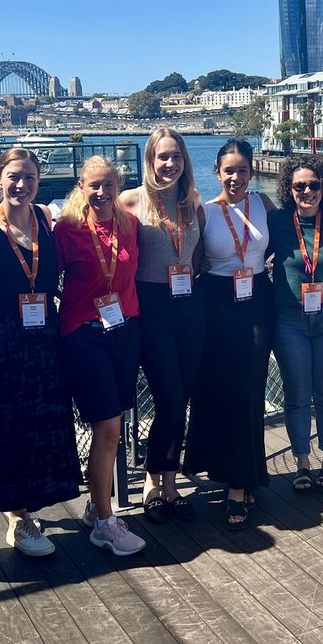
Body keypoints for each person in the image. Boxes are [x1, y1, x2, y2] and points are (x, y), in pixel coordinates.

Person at [0, 148, 81, 557]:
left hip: (45, 334)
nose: (21, 185)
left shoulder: (47, 221)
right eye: (13, 176)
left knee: (44, 420)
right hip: (0, 336)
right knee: (7, 425)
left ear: (38, 181)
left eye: (29, 177)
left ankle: (33, 505)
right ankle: (16, 517)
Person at [54, 155, 146, 556]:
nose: (102, 192)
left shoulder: (131, 225)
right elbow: (35, 273)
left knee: (113, 426)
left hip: (124, 332)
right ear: (81, 186)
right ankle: (105, 525)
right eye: (94, 185)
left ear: (119, 186)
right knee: (108, 428)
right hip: (83, 334)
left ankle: (97, 506)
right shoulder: (67, 230)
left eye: (109, 185)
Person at [184, 139, 277, 530]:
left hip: (257, 298)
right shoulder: (205, 212)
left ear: (251, 171)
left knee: (250, 390)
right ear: (217, 173)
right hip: (217, 304)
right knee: (224, 391)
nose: (236, 177)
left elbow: (288, 241)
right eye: (229, 170)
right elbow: (189, 260)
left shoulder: (264, 205)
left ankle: (243, 479)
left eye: (242, 169)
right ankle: (237, 480)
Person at [119, 128, 205, 524]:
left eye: (176, 157)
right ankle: (154, 484)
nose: (170, 164)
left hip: (189, 308)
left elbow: (199, 256)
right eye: (162, 157)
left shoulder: (193, 203)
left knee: (181, 400)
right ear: (150, 160)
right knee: (168, 398)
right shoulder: (131, 202)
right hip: (150, 308)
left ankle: (171, 485)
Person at [266, 155, 323, 493]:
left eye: (314, 185)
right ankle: (301, 462)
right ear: (289, 188)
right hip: (289, 320)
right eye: (300, 186)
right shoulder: (277, 221)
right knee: (297, 395)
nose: (307, 191)